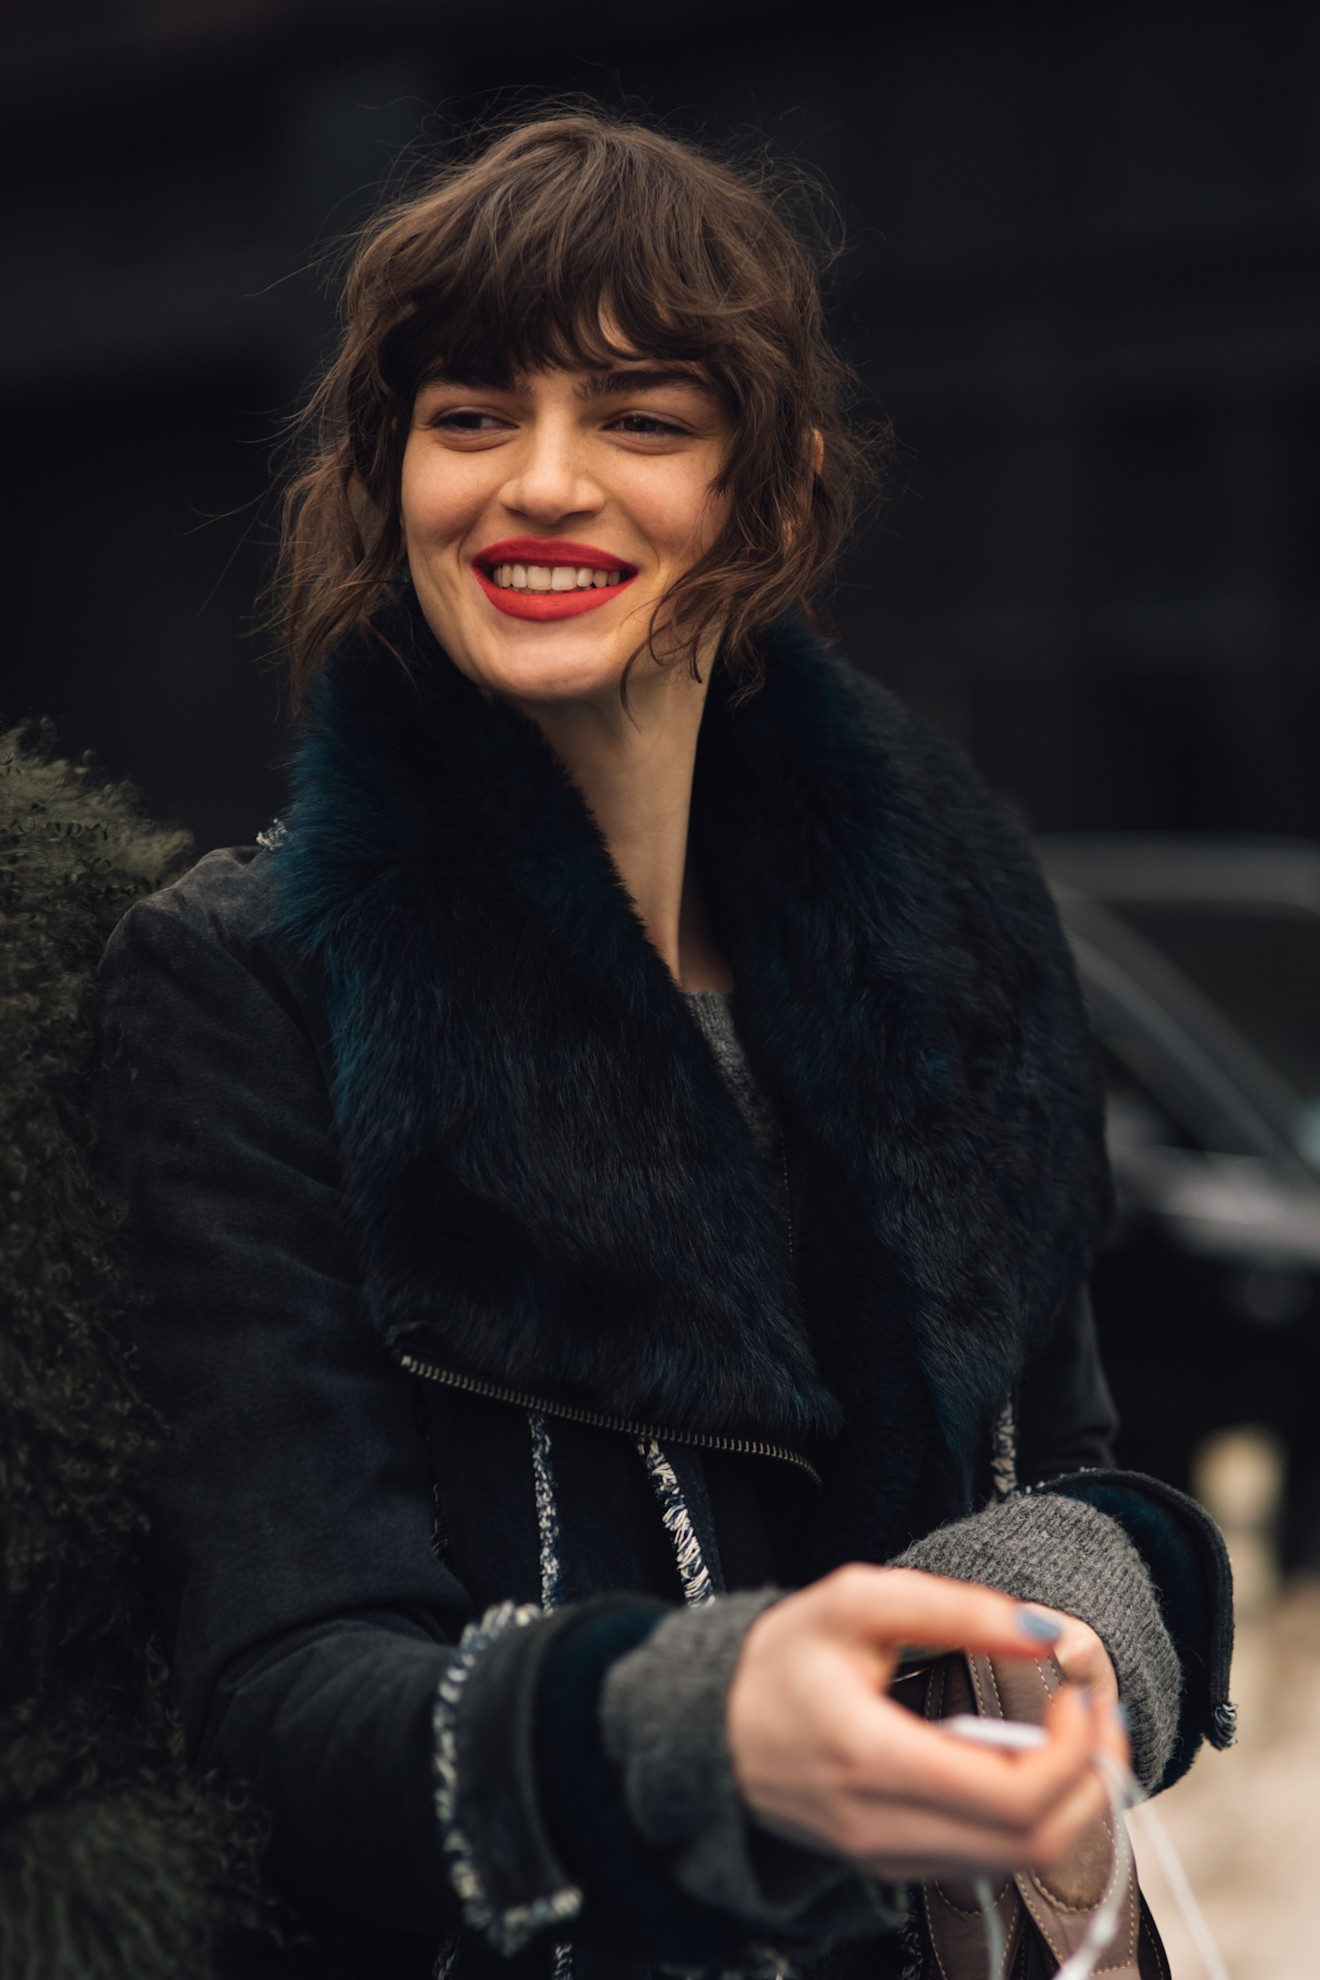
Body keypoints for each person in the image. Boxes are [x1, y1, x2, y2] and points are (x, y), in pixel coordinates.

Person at [95, 111, 1234, 1980]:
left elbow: (1079, 1456)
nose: (540, 483)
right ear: (391, 476)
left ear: (770, 496)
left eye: (640, 419)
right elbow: (278, 1697)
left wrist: (1091, 1611)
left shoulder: (961, 935)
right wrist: (698, 1727)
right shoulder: (249, 979)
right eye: (469, 416)